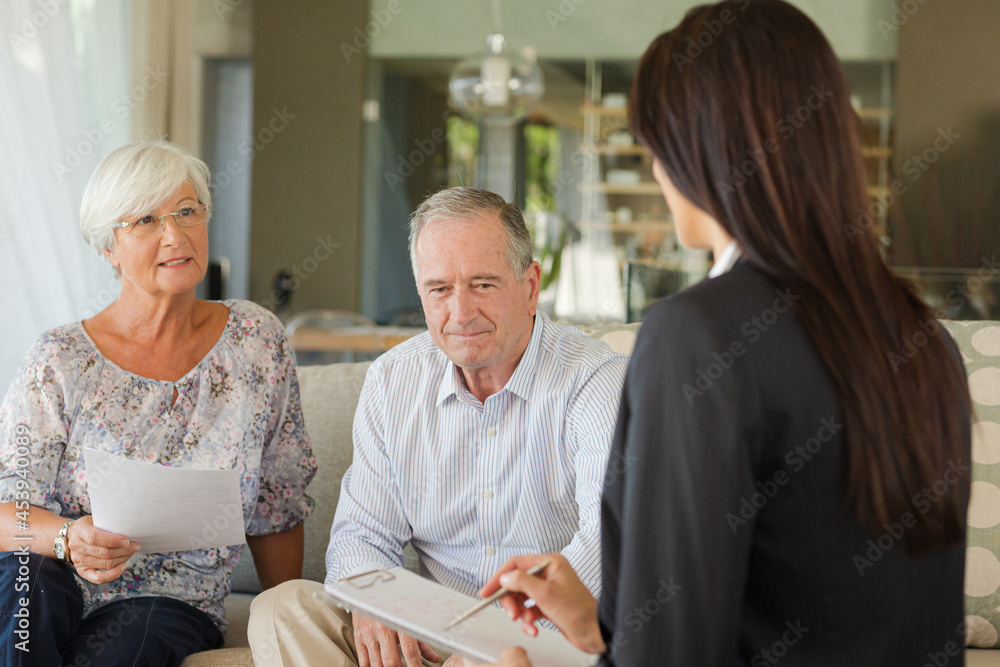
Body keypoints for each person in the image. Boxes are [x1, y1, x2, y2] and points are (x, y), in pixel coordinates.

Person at [471, 1, 973, 665]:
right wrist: (605, 630)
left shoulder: (699, 336)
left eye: (656, 143)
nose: (655, 167)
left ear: (700, 148)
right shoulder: (925, 341)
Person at [247, 187, 629, 667]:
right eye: (440, 289)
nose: (461, 312)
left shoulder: (595, 380)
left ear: (530, 286)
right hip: (429, 632)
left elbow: (608, 543)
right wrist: (373, 606)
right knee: (280, 610)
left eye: (483, 284)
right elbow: (359, 537)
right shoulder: (392, 382)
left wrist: (494, 642)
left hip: (545, 635)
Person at [0, 141, 317, 666]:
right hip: (54, 572)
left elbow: (276, 503)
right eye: (146, 219)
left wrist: (285, 619)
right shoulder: (59, 359)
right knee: (25, 591)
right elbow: (6, 511)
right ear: (109, 248)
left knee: (124, 648)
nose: (175, 235)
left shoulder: (256, 341)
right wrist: (68, 538)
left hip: (168, 601)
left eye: (187, 211)